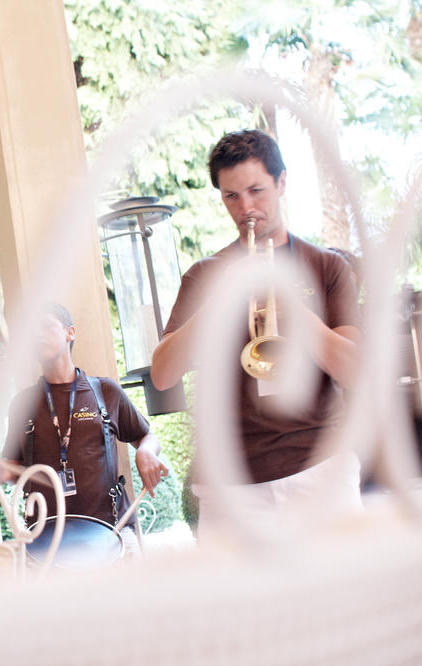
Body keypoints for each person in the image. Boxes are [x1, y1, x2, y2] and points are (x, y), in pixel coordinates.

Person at [150, 129, 362, 541]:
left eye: (256, 190)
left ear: (281, 183)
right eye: (231, 196)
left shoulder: (326, 266)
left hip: (322, 471)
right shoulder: (205, 275)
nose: (245, 207)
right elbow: (162, 374)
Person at [0, 303, 168, 557]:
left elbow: (145, 437)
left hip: (113, 532)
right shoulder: (22, 404)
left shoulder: (105, 391)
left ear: (70, 332)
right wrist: (4, 471)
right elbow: (15, 466)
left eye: (46, 326)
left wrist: (146, 452)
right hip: (49, 544)